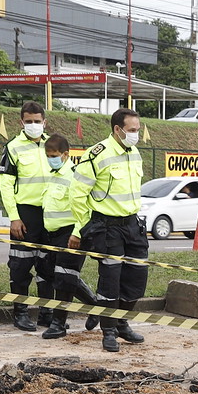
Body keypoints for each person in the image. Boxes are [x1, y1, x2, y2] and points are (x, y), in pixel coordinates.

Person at [70, 107, 148, 353]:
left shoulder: (134, 153)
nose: (135, 134)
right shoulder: (96, 154)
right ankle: (109, 331)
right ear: (117, 129)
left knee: (136, 278)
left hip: (133, 225)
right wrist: (84, 226)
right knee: (110, 281)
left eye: (137, 129)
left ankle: (122, 322)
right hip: (108, 226)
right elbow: (77, 193)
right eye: (131, 130)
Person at [33, 133, 97, 337]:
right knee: (58, 275)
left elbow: (85, 209)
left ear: (66, 155)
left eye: (54, 154)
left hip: (71, 233)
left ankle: (58, 325)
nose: (50, 158)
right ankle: (95, 306)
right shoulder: (54, 175)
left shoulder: (74, 176)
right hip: (53, 234)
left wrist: (77, 233)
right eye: (48, 154)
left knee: (64, 278)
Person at [0, 103, 52, 331]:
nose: (33, 125)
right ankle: (20, 313)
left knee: (47, 266)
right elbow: (5, 185)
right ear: (21, 123)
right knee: (20, 266)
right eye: (28, 121)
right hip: (25, 215)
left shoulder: (53, 145)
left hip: (51, 215)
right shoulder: (13, 147)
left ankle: (47, 313)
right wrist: (14, 217)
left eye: (37, 121)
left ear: (44, 122)